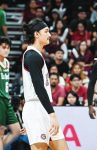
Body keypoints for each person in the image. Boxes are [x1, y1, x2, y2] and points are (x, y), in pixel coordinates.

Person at [22, 18, 68, 150]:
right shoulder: (32, 56)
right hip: (36, 109)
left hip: (41, 107)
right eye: (46, 31)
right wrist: (52, 114)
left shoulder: (35, 55)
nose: (49, 35)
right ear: (37, 34)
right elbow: (38, 87)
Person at [0, 37, 21, 150]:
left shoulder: (7, 62)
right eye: (3, 47)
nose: (6, 50)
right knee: (0, 132)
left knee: (17, 130)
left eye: (8, 48)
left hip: (6, 100)